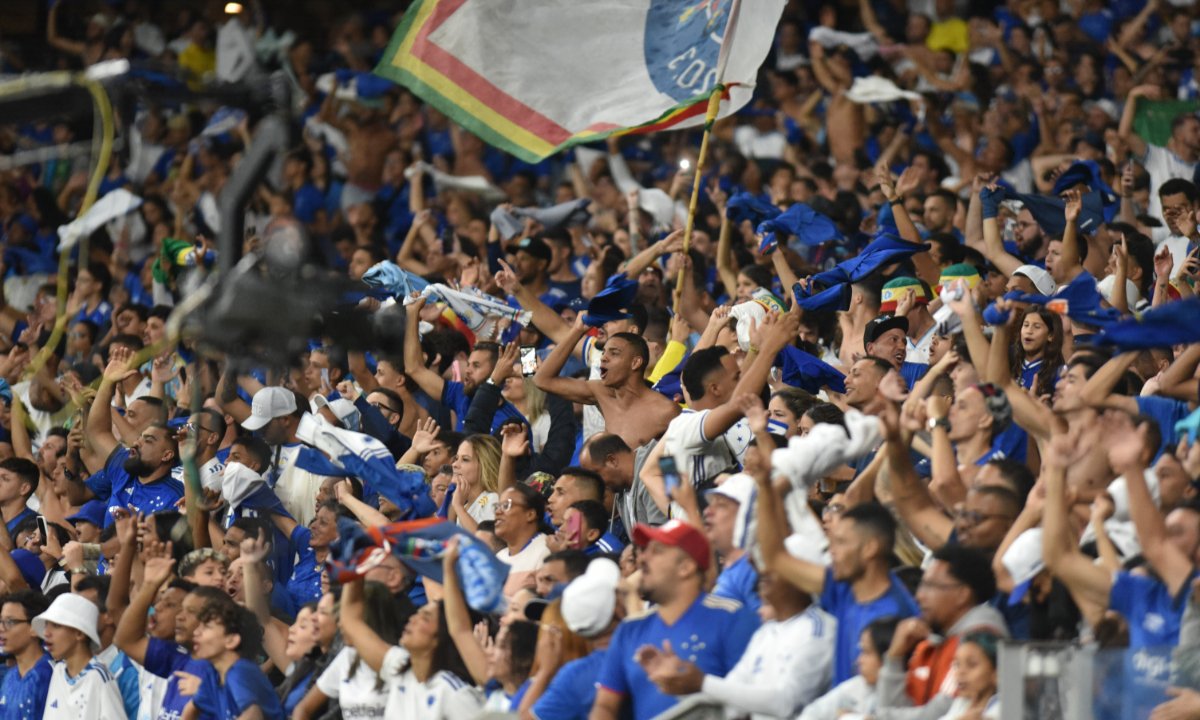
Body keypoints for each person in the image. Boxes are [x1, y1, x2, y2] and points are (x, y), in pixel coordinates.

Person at [590, 520, 759, 720]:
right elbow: (605, 706)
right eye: (644, 550)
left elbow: (754, 704)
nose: (642, 558)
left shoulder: (734, 620)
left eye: (657, 551)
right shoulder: (629, 629)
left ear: (685, 567)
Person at [337, 576, 483, 718]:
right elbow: (351, 619)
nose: (413, 619)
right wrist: (354, 569)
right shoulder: (399, 666)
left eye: (425, 618)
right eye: (417, 614)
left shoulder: (454, 693)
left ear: (441, 636)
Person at [534, 318, 680, 450]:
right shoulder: (601, 392)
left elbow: (676, 463)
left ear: (635, 363)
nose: (604, 358)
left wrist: (652, 479)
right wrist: (577, 330)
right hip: (604, 478)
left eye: (614, 353)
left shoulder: (666, 411)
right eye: (603, 353)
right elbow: (542, 380)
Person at [33, 593, 126, 719]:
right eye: (46, 625)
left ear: (79, 633)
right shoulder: (58, 671)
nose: (46, 633)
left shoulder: (99, 677)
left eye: (56, 626)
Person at [187, 599, 283, 719]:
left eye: (206, 627)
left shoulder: (240, 671)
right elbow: (191, 709)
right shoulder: (214, 671)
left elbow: (253, 715)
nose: (196, 632)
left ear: (231, 640)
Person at [0, 590, 53, 720]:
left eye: (10, 622)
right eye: (1, 621)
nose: (1, 628)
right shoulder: (11, 676)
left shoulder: (48, 675)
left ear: (35, 627)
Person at [494, 483, 551, 599]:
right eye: (497, 506)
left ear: (530, 514)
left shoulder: (546, 550)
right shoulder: (499, 557)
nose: (497, 512)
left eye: (506, 506)